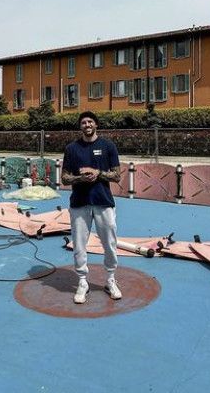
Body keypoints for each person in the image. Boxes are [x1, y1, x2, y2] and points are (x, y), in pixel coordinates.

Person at [62, 111, 122, 304]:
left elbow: (117, 175)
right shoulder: (72, 148)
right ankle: (82, 282)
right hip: (79, 203)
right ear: (80, 126)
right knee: (79, 244)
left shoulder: (108, 146)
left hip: (103, 201)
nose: (87, 125)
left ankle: (110, 279)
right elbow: (64, 178)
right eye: (83, 122)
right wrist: (81, 178)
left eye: (90, 122)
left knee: (110, 243)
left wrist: (98, 173)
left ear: (96, 124)